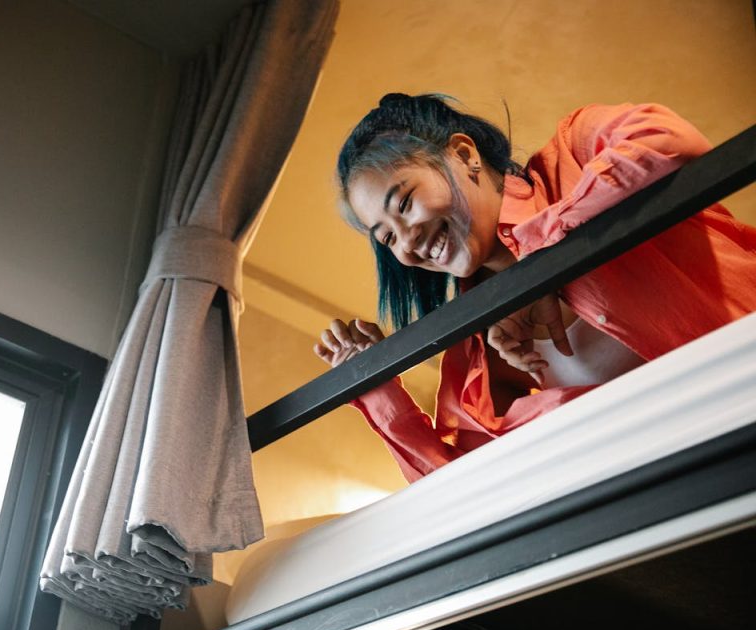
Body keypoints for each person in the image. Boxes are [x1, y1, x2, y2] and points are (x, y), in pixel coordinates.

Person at [314, 94, 756, 483]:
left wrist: (541, 259)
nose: (406, 242)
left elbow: (669, 139)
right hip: (700, 469)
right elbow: (459, 484)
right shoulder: (477, 343)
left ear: (464, 155)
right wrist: (375, 384)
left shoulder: (575, 150)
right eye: (386, 237)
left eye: (404, 203)